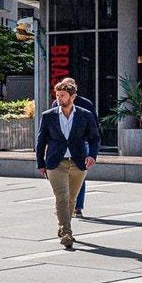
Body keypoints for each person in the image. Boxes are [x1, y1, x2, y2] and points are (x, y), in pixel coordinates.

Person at [36, 77, 100, 250]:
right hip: (55, 163)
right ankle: (67, 233)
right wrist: (40, 163)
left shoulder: (84, 114)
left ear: (72, 97)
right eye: (57, 95)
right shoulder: (48, 116)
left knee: (71, 199)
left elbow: (95, 138)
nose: (59, 98)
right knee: (62, 198)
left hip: (78, 162)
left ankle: (63, 223)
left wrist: (93, 155)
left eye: (62, 95)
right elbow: (41, 141)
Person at [72, 91, 95, 218]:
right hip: (61, 148)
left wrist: (92, 153)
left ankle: (77, 206)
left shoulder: (85, 106)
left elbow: (94, 128)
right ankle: (65, 206)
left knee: (79, 175)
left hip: (81, 144)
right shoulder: (55, 105)